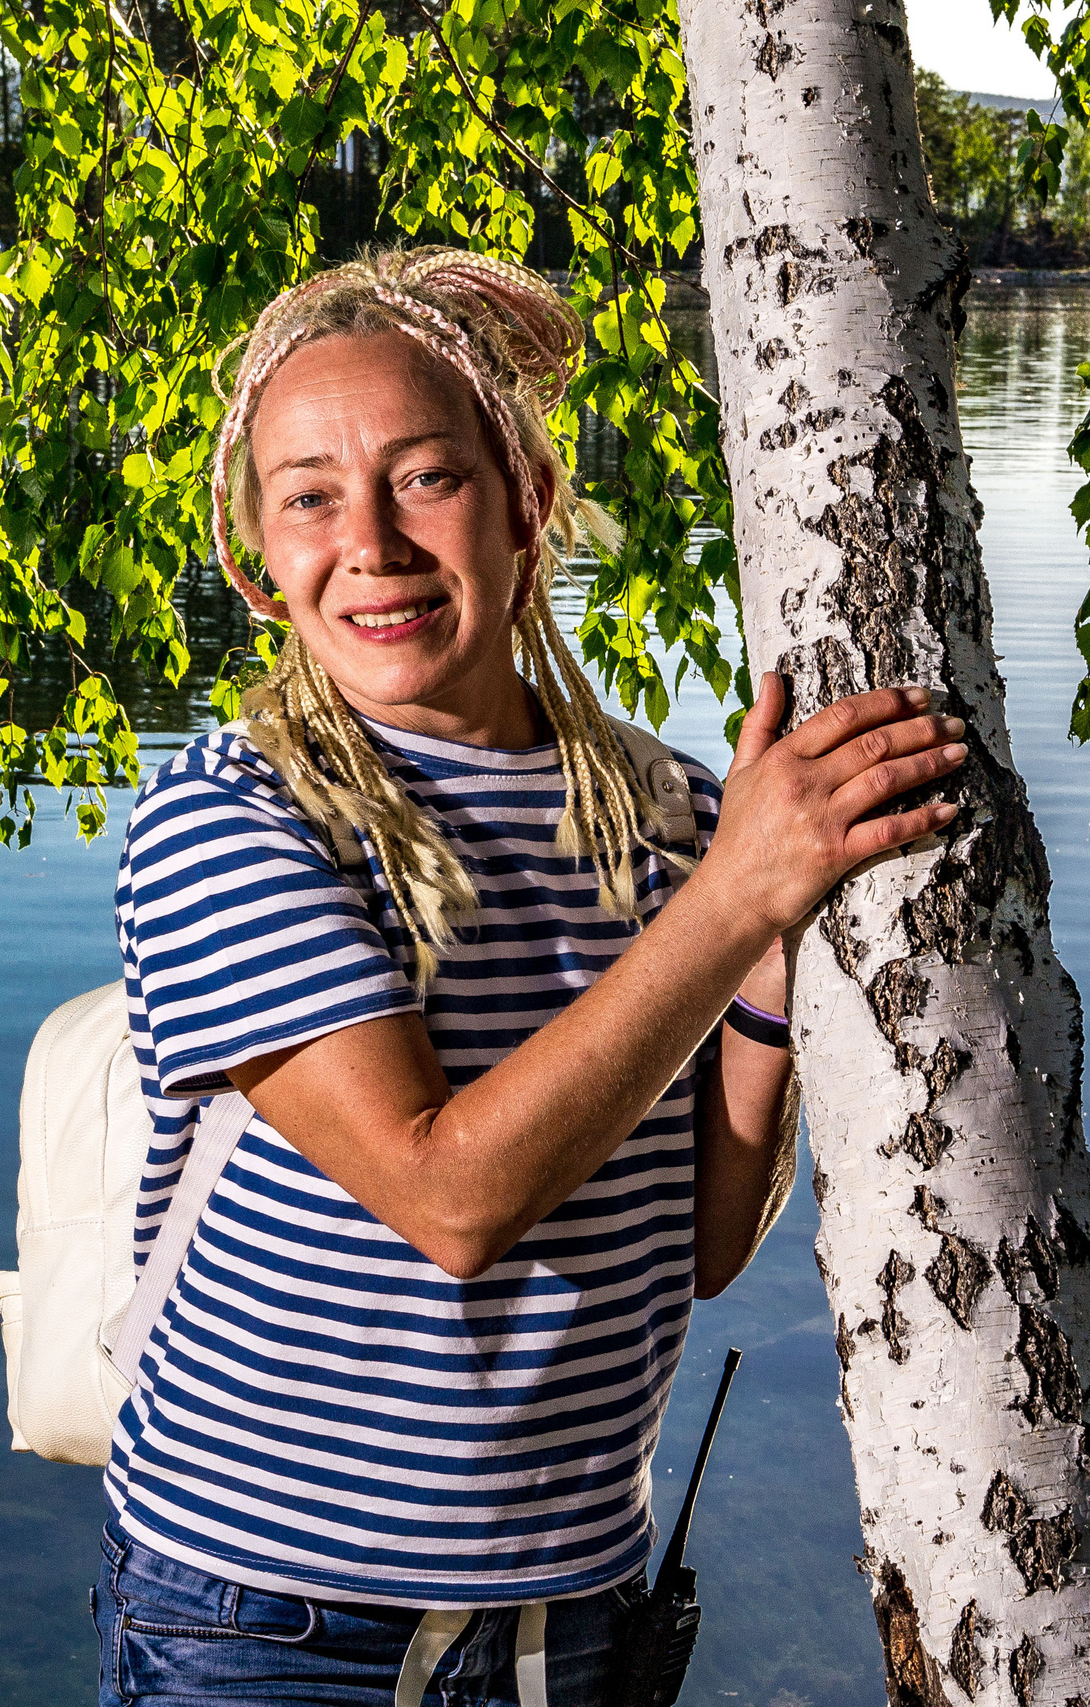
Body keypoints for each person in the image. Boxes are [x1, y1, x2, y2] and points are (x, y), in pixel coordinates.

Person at [98, 247, 966, 1707]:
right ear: (258, 568)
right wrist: (739, 894)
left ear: (528, 504)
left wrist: (761, 948)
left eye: (424, 477)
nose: (368, 542)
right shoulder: (229, 816)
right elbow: (448, 1198)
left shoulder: (682, 816)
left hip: (571, 1616)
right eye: (310, 495)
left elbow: (697, 1242)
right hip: (265, 1622)